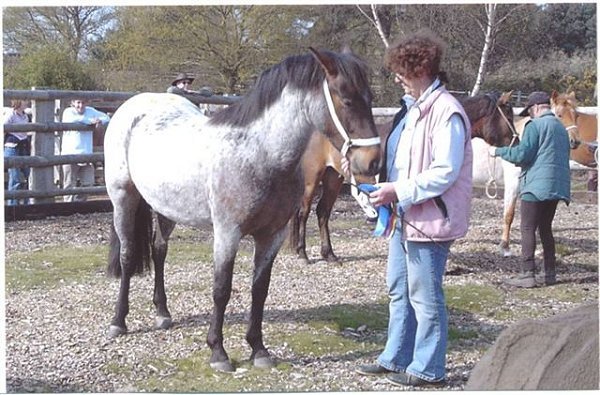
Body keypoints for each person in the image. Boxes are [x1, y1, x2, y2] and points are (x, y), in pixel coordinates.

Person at [348, 30, 473, 387]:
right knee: (399, 289)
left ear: (419, 70)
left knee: (425, 295)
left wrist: (397, 190)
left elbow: (445, 172)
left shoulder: (446, 112)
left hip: (430, 221)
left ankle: (429, 368)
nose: (397, 77)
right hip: (406, 217)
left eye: (401, 70)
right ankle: (396, 357)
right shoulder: (416, 110)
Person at [490, 91, 571, 287]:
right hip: (556, 185)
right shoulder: (560, 127)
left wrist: (499, 151)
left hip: (535, 186)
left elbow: (523, 154)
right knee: (545, 229)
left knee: (527, 228)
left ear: (535, 108)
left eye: (530, 111)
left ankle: (527, 274)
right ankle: (549, 274)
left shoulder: (534, 126)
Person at [60, 98, 110, 202]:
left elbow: (106, 118)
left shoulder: (90, 111)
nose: (81, 105)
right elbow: (74, 120)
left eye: (83, 102)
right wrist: (90, 121)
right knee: (69, 183)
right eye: (78, 102)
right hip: (70, 153)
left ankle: (79, 203)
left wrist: (98, 121)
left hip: (86, 153)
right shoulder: (68, 112)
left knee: (88, 182)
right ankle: (67, 206)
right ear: (73, 102)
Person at [4, 100, 32, 206]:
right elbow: (4, 128)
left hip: (23, 146)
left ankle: (27, 203)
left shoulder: (25, 116)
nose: (26, 102)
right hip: (12, 147)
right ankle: (13, 205)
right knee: (15, 177)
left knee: (29, 175)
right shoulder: (11, 114)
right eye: (24, 101)